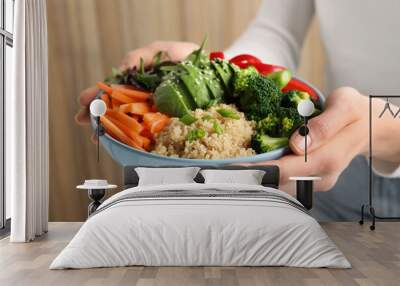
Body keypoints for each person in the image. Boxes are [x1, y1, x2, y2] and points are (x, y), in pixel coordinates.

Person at [76, 0, 400, 221]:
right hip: (333, 161)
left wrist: (384, 130)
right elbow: (277, 31)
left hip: (343, 140)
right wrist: (220, 69)